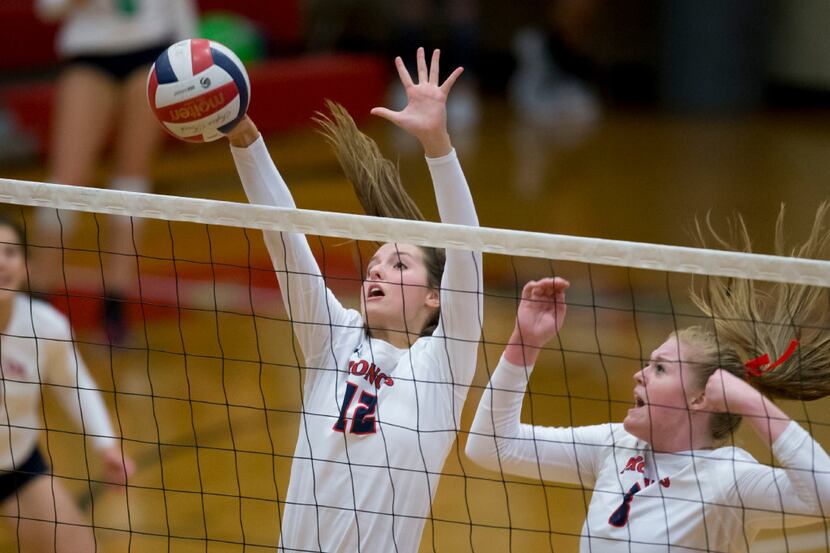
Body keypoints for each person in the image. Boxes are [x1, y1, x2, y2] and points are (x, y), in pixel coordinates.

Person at [223, 48, 483, 552]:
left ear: (436, 297)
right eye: (375, 263)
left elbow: (467, 252)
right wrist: (245, 139)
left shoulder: (442, 368)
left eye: (399, 264)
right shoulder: (333, 342)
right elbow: (285, 237)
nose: (377, 269)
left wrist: (437, 145)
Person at [466, 205, 830, 552]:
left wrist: (751, 402)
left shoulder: (728, 478)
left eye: (660, 368)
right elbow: (491, 447)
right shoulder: (615, 445)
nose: (639, 374)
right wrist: (524, 343)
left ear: (699, 399)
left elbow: (825, 496)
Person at [34, 0, 197, 342]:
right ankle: (37, 300)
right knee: (66, 183)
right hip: (90, 56)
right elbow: (48, 8)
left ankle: (115, 304)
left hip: (150, 54)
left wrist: (190, 65)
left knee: (131, 180)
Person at [0, 214, 134, 553]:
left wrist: (106, 445)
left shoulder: (46, 325)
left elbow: (75, 384)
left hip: (17, 464)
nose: (2, 263)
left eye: (11, 252)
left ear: (27, 265)